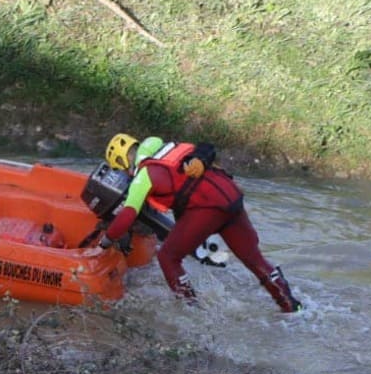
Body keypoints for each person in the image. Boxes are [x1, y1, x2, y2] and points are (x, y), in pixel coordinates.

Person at [101, 133, 301, 313]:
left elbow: (127, 215)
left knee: (168, 257)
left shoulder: (143, 176)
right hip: (231, 197)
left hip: (208, 209)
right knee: (254, 259)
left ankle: (192, 310)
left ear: (123, 162)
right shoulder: (172, 148)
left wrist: (107, 240)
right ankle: (292, 307)